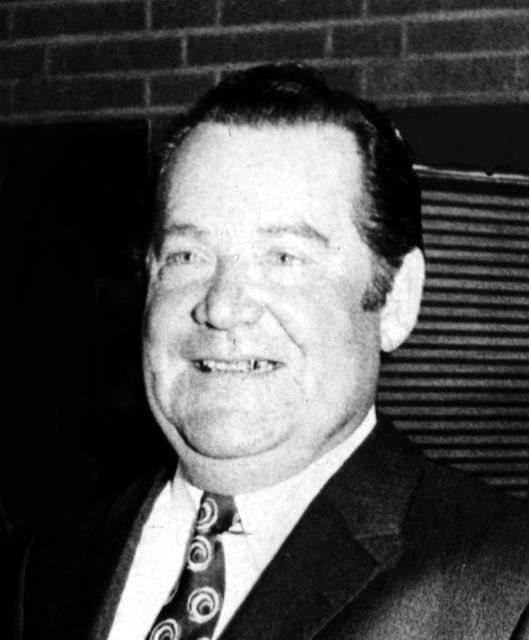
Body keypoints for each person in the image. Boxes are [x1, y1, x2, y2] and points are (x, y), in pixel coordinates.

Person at [7, 63, 529, 640]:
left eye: (284, 257)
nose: (222, 306)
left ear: (395, 300)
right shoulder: (44, 564)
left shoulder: (509, 589)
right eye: (187, 255)